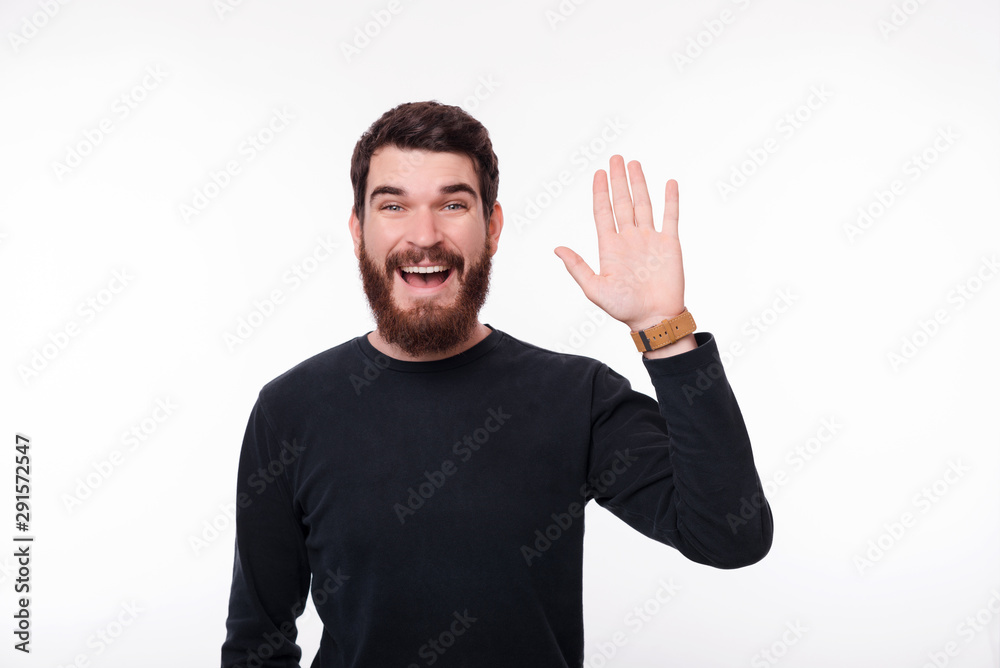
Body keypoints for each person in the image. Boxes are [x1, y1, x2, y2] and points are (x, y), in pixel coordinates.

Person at [221, 100, 773, 668]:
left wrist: (664, 329)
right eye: (394, 205)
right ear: (359, 230)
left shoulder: (574, 396)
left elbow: (731, 536)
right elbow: (255, 643)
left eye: (453, 204)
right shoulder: (290, 410)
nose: (425, 235)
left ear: (493, 226)